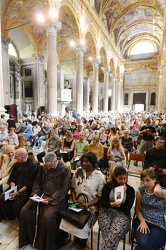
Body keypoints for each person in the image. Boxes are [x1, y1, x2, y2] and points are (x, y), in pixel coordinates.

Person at [19, 152, 71, 250]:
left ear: (56, 161)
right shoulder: (46, 167)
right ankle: (28, 240)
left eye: (51, 166)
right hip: (41, 194)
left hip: (56, 199)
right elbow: (38, 181)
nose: (49, 168)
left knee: (47, 218)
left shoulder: (65, 169)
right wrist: (35, 193)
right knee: (25, 211)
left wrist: (50, 200)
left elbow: (64, 189)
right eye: (47, 166)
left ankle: (44, 245)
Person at [60, 152, 105, 249]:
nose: (84, 163)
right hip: (75, 202)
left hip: (90, 206)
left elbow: (99, 197)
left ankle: (83, 240)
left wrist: (87, 205)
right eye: (83, 161)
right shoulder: (78, 171)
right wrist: (74, 199)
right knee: (66, 219)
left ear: (93, 163)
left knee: (83, 224)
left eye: (87, 162)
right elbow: (72, 187)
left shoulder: (99, 176)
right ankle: (75, 238)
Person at [98, 167, 135, 250]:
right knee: (108, 233)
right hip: (106, 211)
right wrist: (111, 204)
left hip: (122, 215)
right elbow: (103, 202)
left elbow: (127, 208)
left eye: (124, 178)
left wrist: (122, 195)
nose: (123, 181)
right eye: (120, 178)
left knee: (114, 233)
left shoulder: (130, 190)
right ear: (115, 177)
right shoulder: (108, 186)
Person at [0, 148, 39, 220]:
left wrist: (17, 192)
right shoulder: (18, 163)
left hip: (25, 190)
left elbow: (30, 184)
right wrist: (12, 189)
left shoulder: (34, 165)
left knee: (16, 205)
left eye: (16, 156)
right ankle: (7, 216)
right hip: (15, 187)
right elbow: (13, 177)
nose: (14, 158)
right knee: (2, 198)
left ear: (23, 157)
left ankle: (14, 216)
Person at [134, 169, 166, 250]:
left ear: (155, 179)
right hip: (142, 220)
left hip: (158, 225)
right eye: (143, 181)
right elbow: (137, 209)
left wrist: (157, 188)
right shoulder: (141, 190)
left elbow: (159, 192)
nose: (145, 183)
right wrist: (142, 221)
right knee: (145, 244)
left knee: (147, 246)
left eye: (148, 180)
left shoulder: (162, 191)